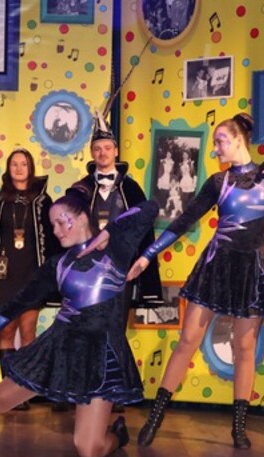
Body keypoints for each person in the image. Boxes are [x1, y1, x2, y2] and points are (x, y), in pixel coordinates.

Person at [0, 196, 162, 457]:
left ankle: (117, 436)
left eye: (61, 222)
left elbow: (149, 207)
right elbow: (13, 306)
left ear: (83, 218)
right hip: (59, 347)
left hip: (100, 356)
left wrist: (109, 231)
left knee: (89, 450)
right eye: (52, 225)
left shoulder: (117, 247)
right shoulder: (57, 264)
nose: (56, 231)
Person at [124, 113, 264, 450]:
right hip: (216, 267)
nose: (215, 149)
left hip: (251, 270)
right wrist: (147, 255)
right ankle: (155, 418)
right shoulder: (218, 182)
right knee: (188, 340)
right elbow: (184, 220)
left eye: (220, 141)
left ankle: (238, 428)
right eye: (214, 143)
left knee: (244, 349)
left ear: (239, 140)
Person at [71, 110, 164, 412]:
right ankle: (88, 392)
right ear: (92, 153)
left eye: (107, 148)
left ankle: (116, 393)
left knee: (115, 330)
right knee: (87, 330)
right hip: (88, 274)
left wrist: (143, 261)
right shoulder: (80, 189)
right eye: (97, 148)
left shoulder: (131, 188)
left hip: (119, 272)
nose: (102, 153)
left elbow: (144, 229)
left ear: (116, 151)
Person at [0, 147, 59, 409]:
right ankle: (9, 393)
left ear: (30, 168)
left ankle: (25, 390)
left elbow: (51, 240)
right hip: (4, 272)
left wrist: (48, 275)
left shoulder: (43, 201)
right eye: (14, 164)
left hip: (31, 272)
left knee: (28, 331)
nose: (19, 168)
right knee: (6, 331)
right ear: (8, 168)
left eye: (23, 164)